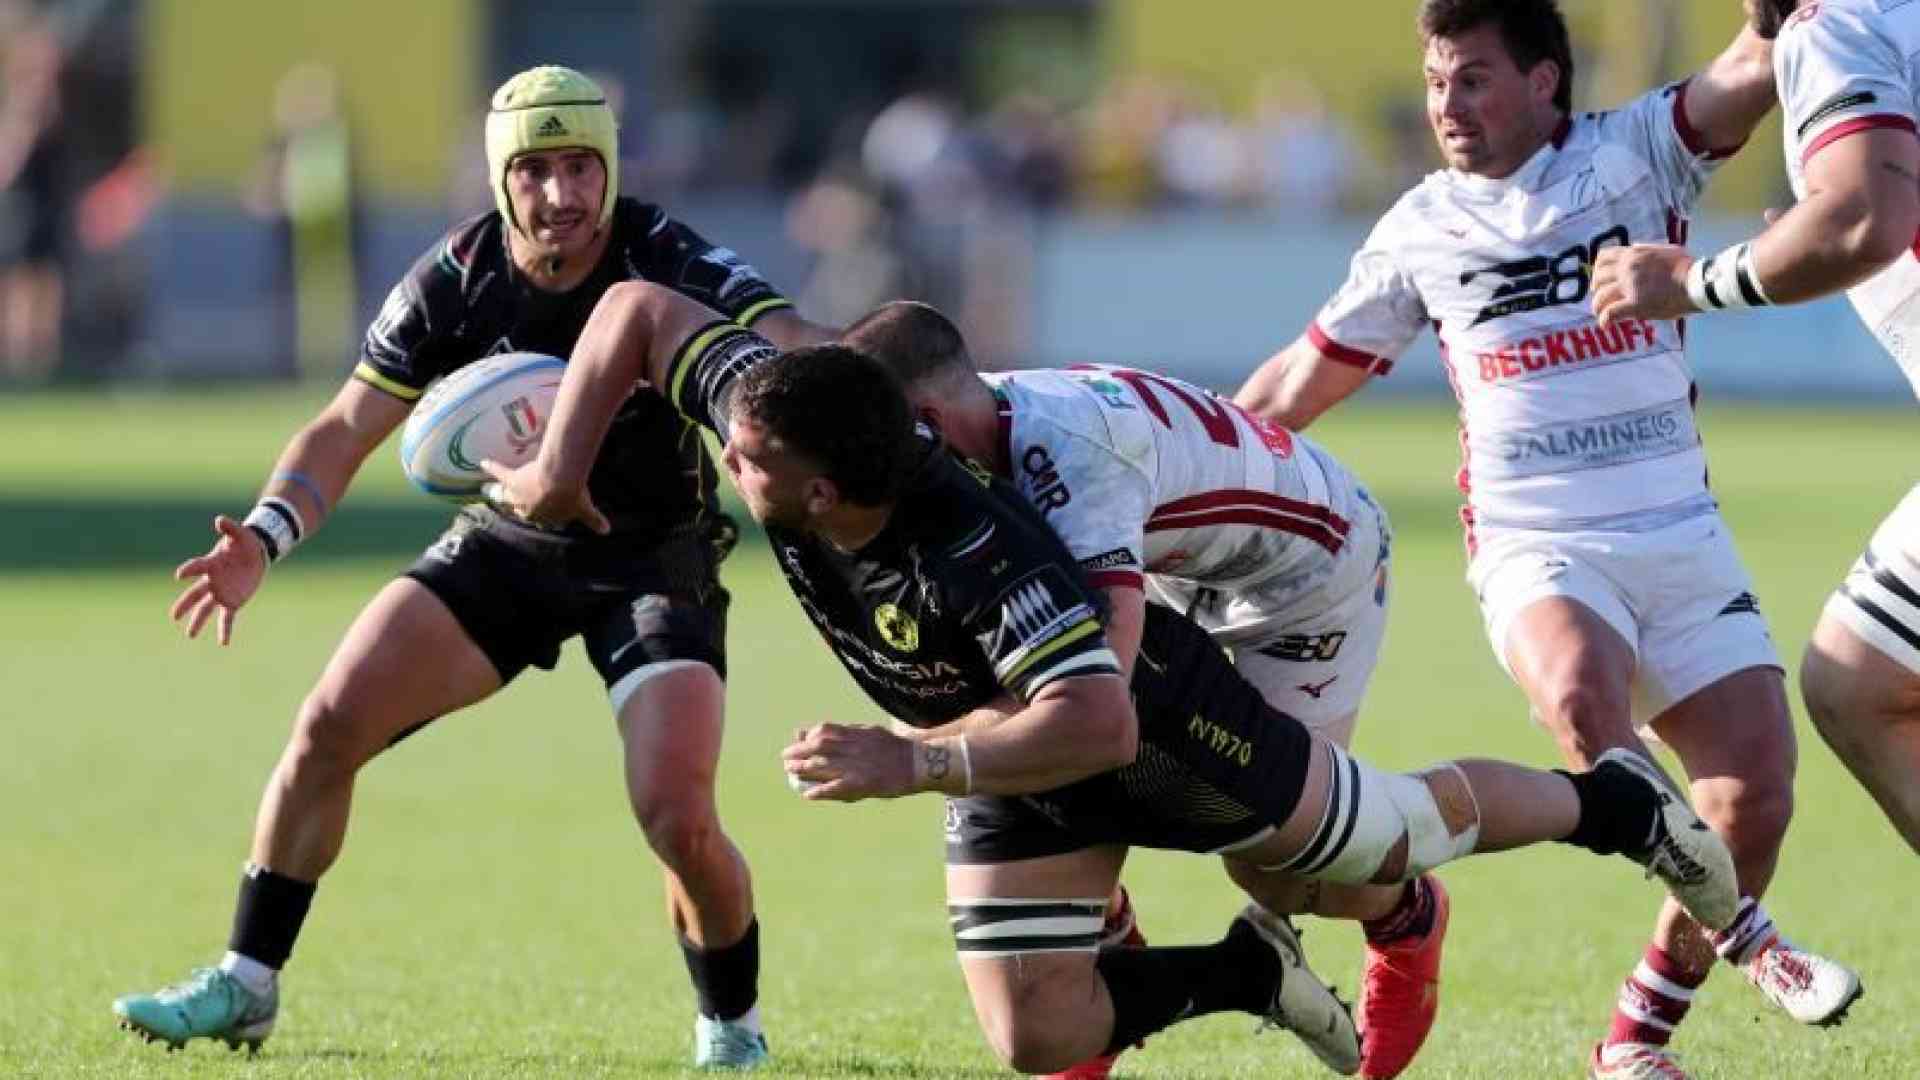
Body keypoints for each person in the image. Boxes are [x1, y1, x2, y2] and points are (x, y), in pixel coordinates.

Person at [483, 279, 1742, 1078]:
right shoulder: (810, 421)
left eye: (748, 462)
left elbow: (1104, 708)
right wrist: (556, 474)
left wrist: (918, 761)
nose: (726, 464)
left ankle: (1608, 808)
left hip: (1274, 596)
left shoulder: (1025, 515)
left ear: (834, 482)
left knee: (1325, 856)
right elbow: (640, 311)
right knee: (1034, 1024)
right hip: (1077, 656)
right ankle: (1231, 972)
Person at [112, 65, 832, 1069]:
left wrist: (872, 376)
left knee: (677, 814)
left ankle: (732, 1028)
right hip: (511, 543)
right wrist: (266, 535)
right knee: (327, 725)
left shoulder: (663, 251)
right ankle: (247, 980)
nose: (562, 194)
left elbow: (787, 340)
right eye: (535, 171)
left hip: (652, 558)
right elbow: (346, 427)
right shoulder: (454, 275)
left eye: (581, 166)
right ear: (501, 179)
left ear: (610, 169)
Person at [1231, 3, 1859, 1077]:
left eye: (1473, 78)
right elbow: (1297, 380)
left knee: (1754, 795)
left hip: (1679, 528)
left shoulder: (1638, 150)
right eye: (1436, 82)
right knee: (1581, 703)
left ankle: (1632, 1046)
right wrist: (1184, 457)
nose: (1447, 104)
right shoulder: (1422, 228)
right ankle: (1757, 942)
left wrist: (1778, 16)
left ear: (1544, 82)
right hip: (1536, 538)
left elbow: (1750, 66)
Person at [850, 301, 1441, 1079]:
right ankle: (1098, 944)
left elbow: (1102, 682)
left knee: (1274, 861)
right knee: (1054, 735)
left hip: (1303, 576)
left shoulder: (1069, 460)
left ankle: (1406, 913)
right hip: (1166, 562)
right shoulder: (973, 417)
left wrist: (914, 752)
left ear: (926, 419)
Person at [1590, 0, 1920, 858]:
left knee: (1858, 683)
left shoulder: (1836, 22)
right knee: (1864, 676)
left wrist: (1693, 283)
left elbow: (1864, 218)